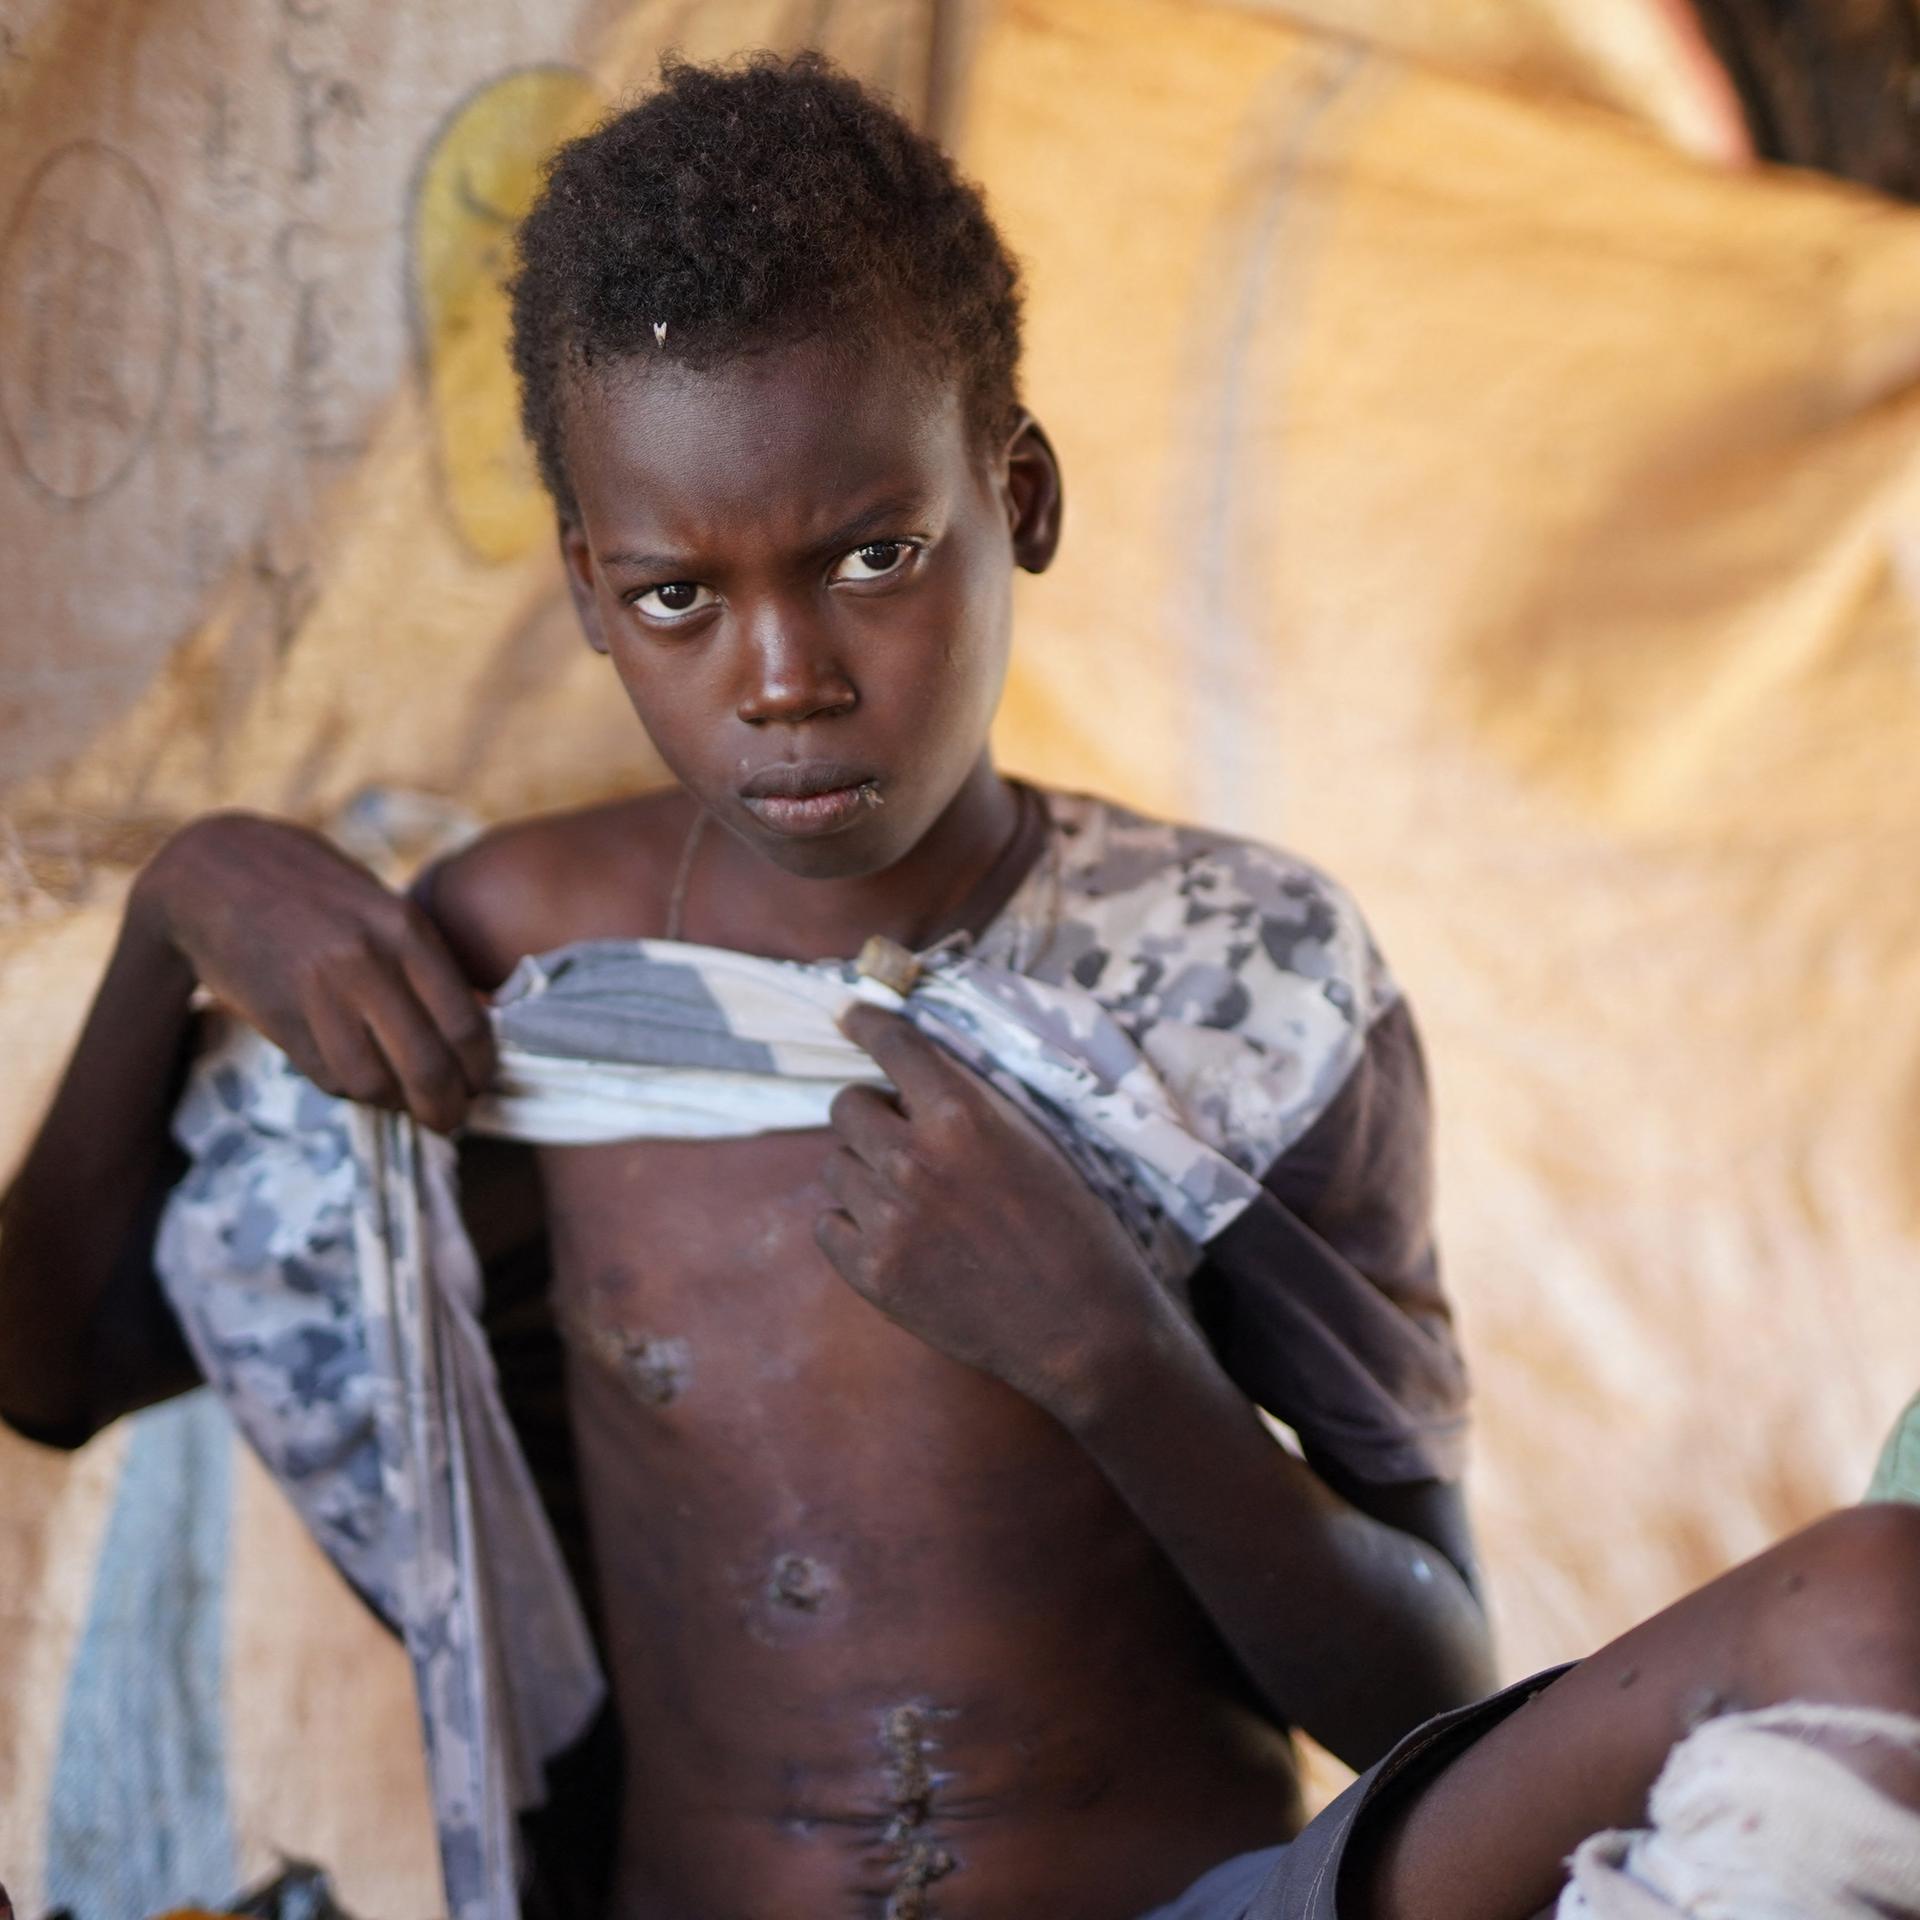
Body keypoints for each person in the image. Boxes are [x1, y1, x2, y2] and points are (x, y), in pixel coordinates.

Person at [2, 50, 1917, 1920]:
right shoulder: (524, 963)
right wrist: (174, 914)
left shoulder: (1237, 976)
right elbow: (47, 1366)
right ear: (591, 591)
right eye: (680, 595)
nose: (783, 674)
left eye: (874, 554)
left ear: (1022, 500)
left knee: (1871, 1611)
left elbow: (1429, 1691)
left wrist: (1109, 1356)